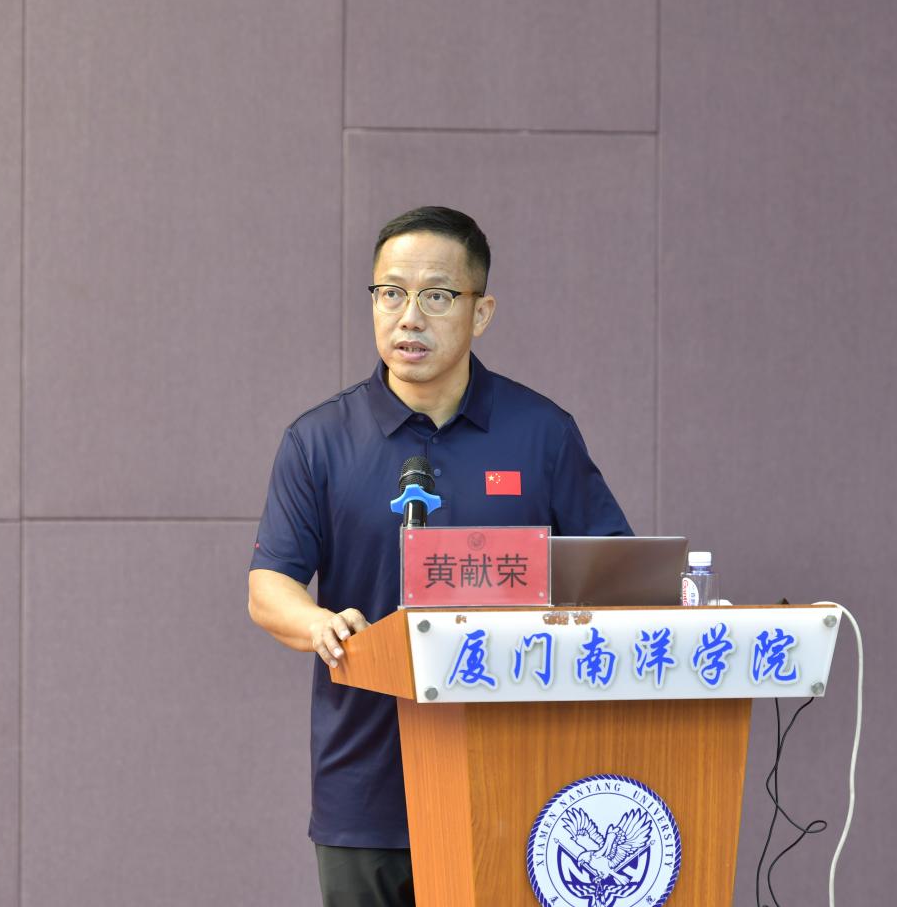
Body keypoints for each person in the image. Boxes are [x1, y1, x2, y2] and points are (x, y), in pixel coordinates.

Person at [247, 206, 632, 907]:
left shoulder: (541, 433)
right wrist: (319, 623)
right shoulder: (319, 441)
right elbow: (269, 584)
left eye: (436, 295)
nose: (409, 317)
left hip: (516, 777)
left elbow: (615, 575)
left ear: (480, 312)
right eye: (390, 293)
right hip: (366, 783)